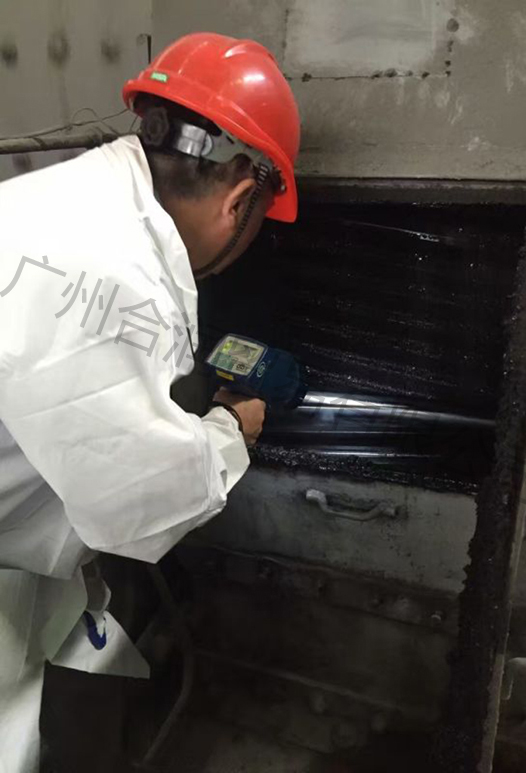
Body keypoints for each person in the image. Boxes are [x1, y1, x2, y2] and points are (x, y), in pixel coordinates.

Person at [0, 32, 300, 772]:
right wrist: (230, 429)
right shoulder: (117, 274)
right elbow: (139, 502)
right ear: (241, 198)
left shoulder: (51, 200)